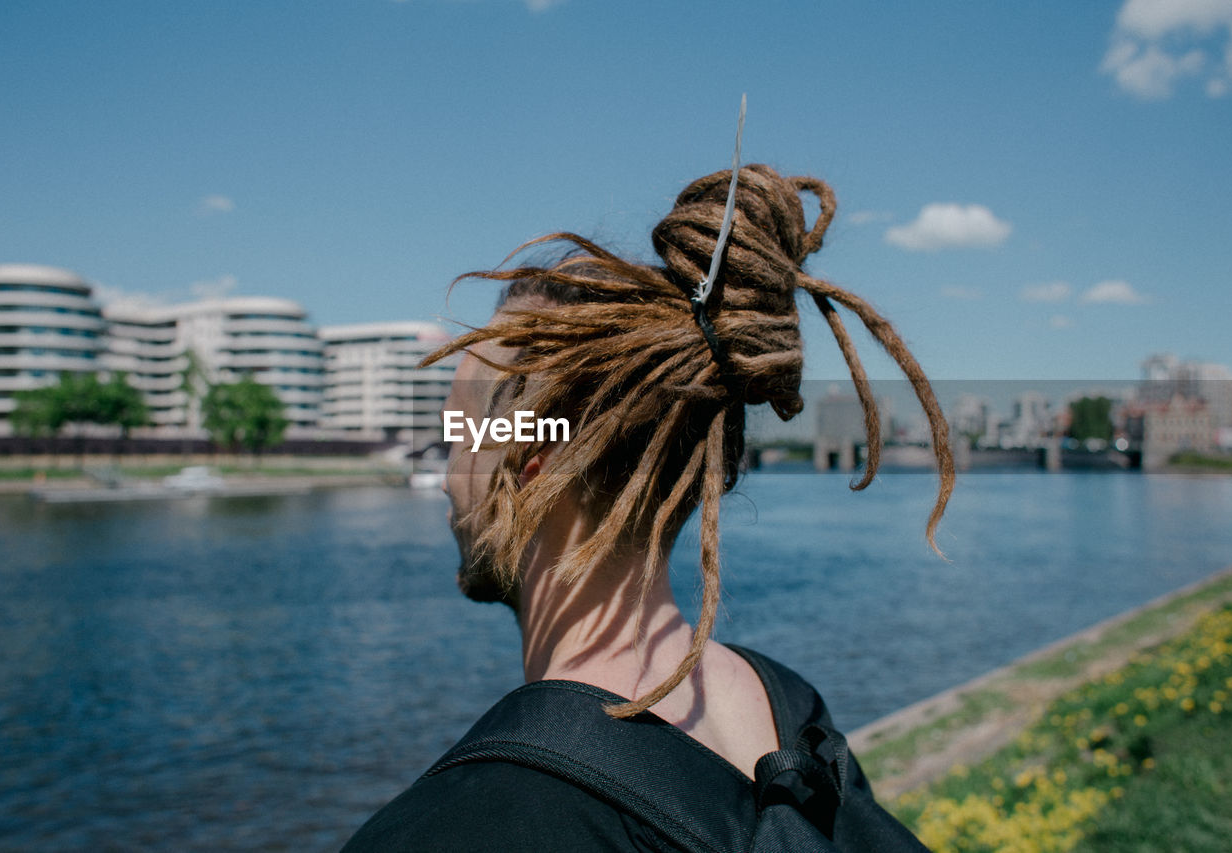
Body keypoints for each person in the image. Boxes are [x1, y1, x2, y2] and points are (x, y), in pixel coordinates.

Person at [341, 164, 954, 851]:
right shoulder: (790, 709)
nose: (451, 474)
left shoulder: (461, 825)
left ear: (529, 472)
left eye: (460, 438)